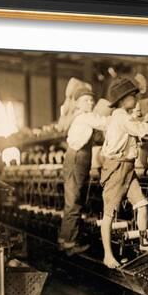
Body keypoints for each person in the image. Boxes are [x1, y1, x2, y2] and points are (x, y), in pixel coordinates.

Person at [99, 77, 148, 268]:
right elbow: (141, 129)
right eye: (133, 95)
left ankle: (143, 243)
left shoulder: (123, 117)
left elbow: (137, 125)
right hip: (117, 168)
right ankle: (107, 255)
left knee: (142, 204)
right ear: (123, 99)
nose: (135, 98)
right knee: (109, 214)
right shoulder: (121, 117)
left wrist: (147, 119)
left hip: (127, 168)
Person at [58, 86, 109, 255]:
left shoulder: (79, 117)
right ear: (78, 104)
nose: (91, 102)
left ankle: (64, 239)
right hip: (77, 159)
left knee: (73, 200)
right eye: (86, 100)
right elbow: (104, 123)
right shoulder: (85, 117)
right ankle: (70, 244)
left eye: (91, 100)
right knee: (74, 201)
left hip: (77, 158)